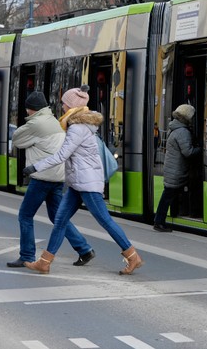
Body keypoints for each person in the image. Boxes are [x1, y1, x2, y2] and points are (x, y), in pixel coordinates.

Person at [23, 85, 143, 275]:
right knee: (60, 220)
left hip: (86, 183)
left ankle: (132, 256)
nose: (61, 107)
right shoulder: (77, 125)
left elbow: (62, 155)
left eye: (64, 103)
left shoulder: (77, 128)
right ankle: (45, 262)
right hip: (77, 183)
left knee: (105, 220)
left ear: (71, 106)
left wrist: (35, 167)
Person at [6, 91, 96, 268]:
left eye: (27, 110)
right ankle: (84, 249)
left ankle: (26, 256)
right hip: (58, 176)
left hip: (43, 176)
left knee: (25, 215)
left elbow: (16, 139)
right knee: (58, 216)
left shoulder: (36, 123)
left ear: (31, 109)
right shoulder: (54, 120)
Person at [153, 104, 201, 232]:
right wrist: (200, 149)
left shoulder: (174, 129)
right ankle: (159, 222)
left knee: (168, 196)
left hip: (172, 169)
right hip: (176, 171)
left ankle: (163, 219)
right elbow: (188, 152)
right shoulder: (182, 132)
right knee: (167, 197)